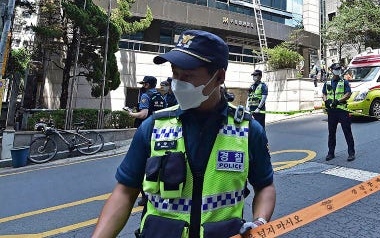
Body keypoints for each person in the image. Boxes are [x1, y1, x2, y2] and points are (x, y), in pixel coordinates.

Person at [93, 30, 275, 238]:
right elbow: (124, 193)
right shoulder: (154, 126)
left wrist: (260, 222)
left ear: (219, 77)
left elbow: (265, 186)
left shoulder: (248, 130)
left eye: (188, 75)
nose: (178, 83)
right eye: (175, 73)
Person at [322, 63, 355, 161]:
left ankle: (351, 153)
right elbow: (324, 93)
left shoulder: (344, 82)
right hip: (332, 111)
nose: (338, 70)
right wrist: (326, 101)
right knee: (331, 133)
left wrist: (338, 101)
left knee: (347, 132)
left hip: (342, 110)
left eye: (339, 69)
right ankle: (330, 153)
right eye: (336, 69)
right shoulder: (327, 82)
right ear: (331, 70)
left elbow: (348, 93)